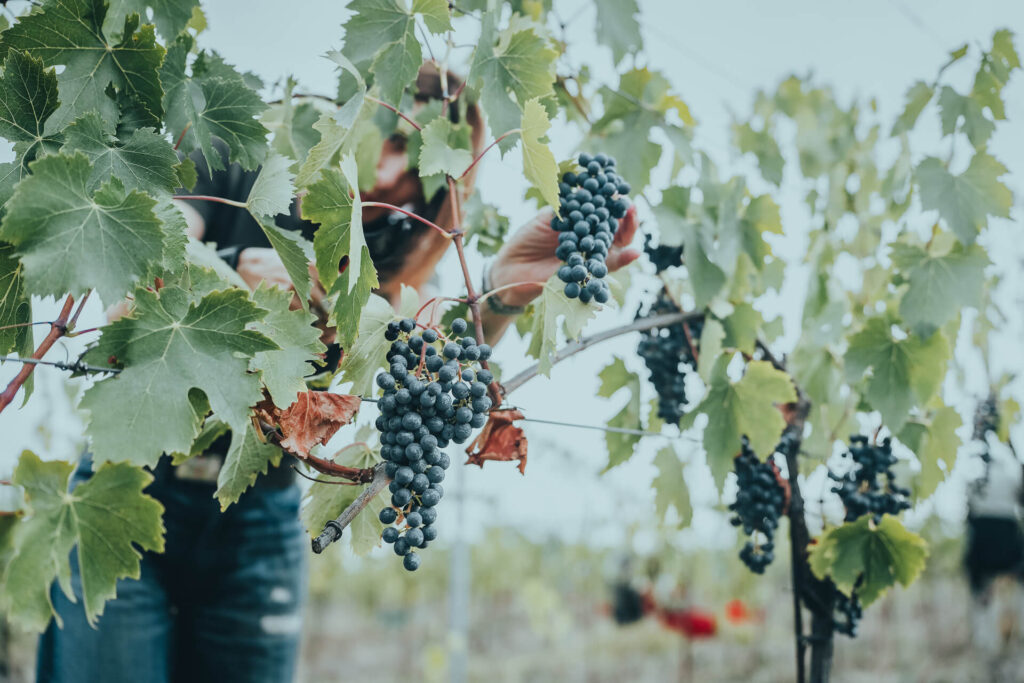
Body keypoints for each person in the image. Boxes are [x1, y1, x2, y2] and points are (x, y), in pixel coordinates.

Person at [36, 64, 639, 683]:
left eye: (419, 153)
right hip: (125, 493)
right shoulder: (238, 163)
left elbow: (433, 375)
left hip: (256, 523)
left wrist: (501, 287)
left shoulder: (391, 257)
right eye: (388, 131)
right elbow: (128, 301)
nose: (394, 164)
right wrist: (232, 282)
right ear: (352, 115)